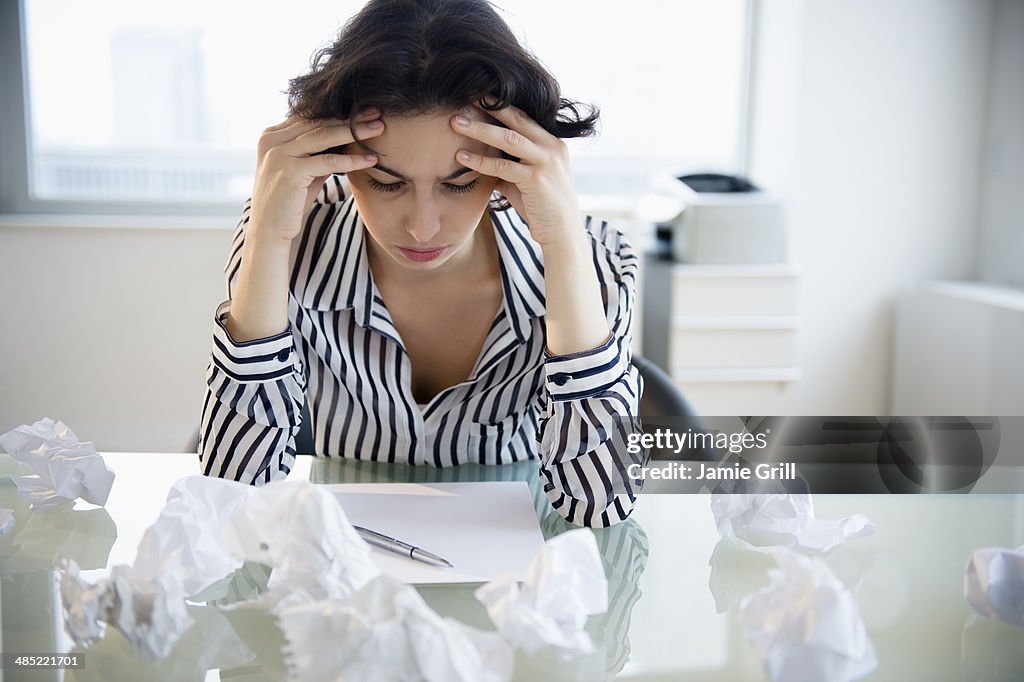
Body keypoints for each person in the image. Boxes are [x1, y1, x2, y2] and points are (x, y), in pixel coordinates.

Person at [198, 0, 644, 527]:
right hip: (346, 590)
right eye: (387, 183)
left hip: (520, 592)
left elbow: (600, 504)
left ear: (510, 166)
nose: (422, 228)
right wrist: (269, 238)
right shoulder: (292, 236)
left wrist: (563, 242)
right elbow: (234, 496)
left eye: (459, 184)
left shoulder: (596, 260)